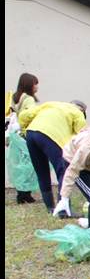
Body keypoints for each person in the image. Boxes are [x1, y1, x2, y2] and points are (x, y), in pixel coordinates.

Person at [19, 100, 87, 214]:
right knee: (63, 172)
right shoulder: (77, 113)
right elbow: (82, 136)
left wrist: (24, 130)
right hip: (51, 137)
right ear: (82, 110)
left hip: (31, 133)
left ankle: (50, 208)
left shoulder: (51, 104)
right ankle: (63, 211)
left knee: (42, 172)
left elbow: (23, 115)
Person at [6, 73, 41, 204]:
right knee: (30, 165)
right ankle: (25, 194)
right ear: (29, 84)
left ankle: (22, 193)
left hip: (16, 135)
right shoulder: (29, 100)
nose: (37, 86)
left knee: (21, 165)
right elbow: (30, 115)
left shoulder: (16, 98)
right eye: (35, 83)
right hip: (26, 134)